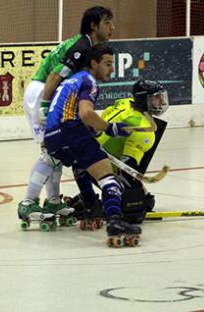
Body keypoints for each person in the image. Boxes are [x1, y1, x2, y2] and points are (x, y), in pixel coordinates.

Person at [18, 6, 115, 227]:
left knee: (58, 150)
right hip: (43, 90)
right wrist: (44, 105)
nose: (112, 27)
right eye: (107, 22)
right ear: (93, 25)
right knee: (50, 150)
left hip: (52, 94)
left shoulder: (89, 46)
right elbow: (54, 75)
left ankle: (53, 201)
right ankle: (29, 201)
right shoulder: (82, 46)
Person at [43, 44, 142, 247]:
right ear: (93, 63)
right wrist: (109, 128)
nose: (111, 69)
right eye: (107, 64)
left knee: (82, 163)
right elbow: (86, 114)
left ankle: (90, 207)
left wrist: (92, 130)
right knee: (107, 177)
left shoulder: (72, 80)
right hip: (70, 131)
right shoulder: (89, 81)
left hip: (52, 137)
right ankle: (115, 221)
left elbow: (67, 112)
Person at [67, 80, 169, 226]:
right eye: (156, 97)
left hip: (82, 162)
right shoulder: (144, 129)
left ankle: (88, 197)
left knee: (142, 194)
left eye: (161, 96)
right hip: (100, 168)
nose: (161, 101)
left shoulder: (124, 102)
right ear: (143, 99)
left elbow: (104, 118)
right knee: (147, 201)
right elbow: (127, 171)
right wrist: (131, 202)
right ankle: (99, 203)